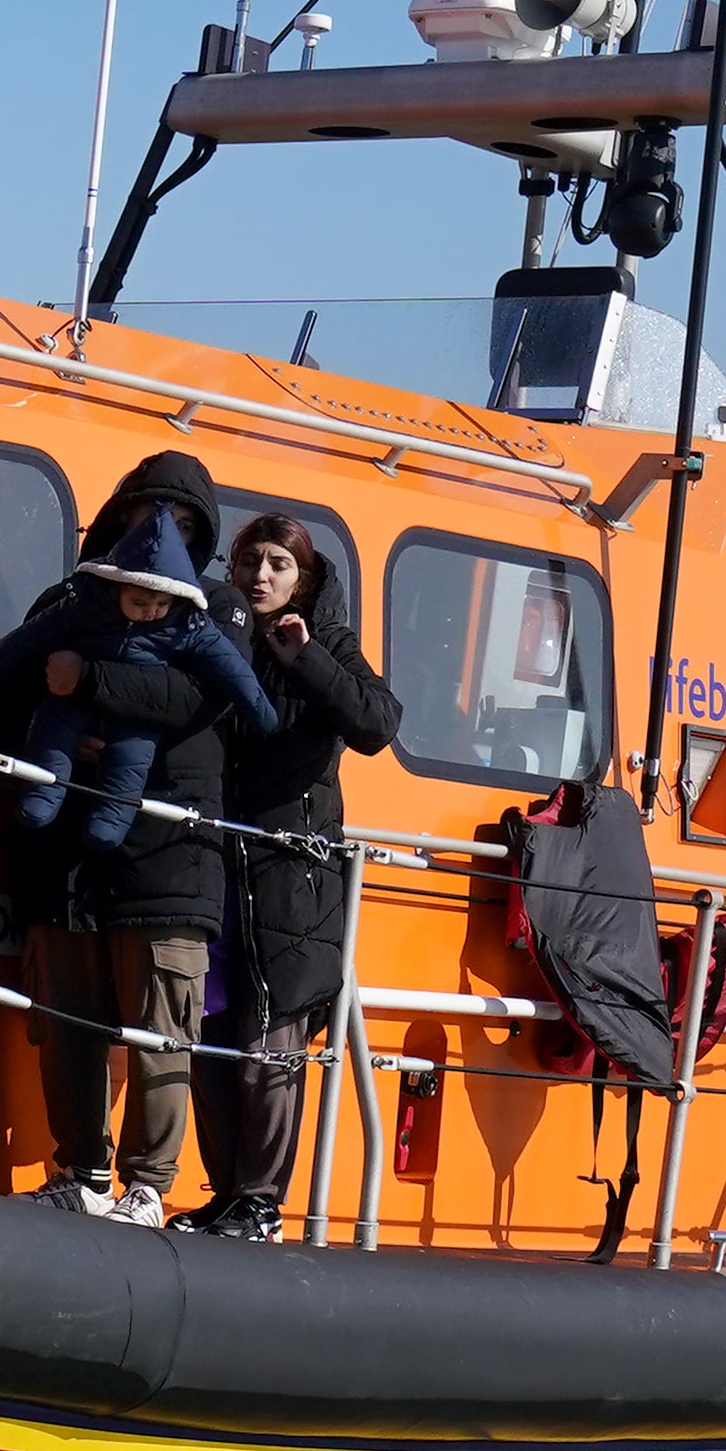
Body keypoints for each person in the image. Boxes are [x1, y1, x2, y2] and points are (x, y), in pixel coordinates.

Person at [0, 449, 286, 1224]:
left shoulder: (217, 610)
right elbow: (6, 681)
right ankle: (78, 1172)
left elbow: (196, 697)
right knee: (68, 1020)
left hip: (169, 853)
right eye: (146, 514)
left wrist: (87, 682)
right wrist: (49, 734)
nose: (162, 530)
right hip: (68, 856)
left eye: (183, 521)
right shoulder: (69, 598)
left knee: (162, 1028)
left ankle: (149, 1186)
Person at [190, 511, 401, 1237]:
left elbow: (378, 723)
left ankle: (262, 1201)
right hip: (219, 866)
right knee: (211, 1042)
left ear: (303, 577)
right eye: (250, 559)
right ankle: (226, 1194)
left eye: (278, 563)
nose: (259, 575)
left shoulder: (328, 642)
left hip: (295, 880)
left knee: (268, 1047)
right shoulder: (219, 632)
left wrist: (305, 657)